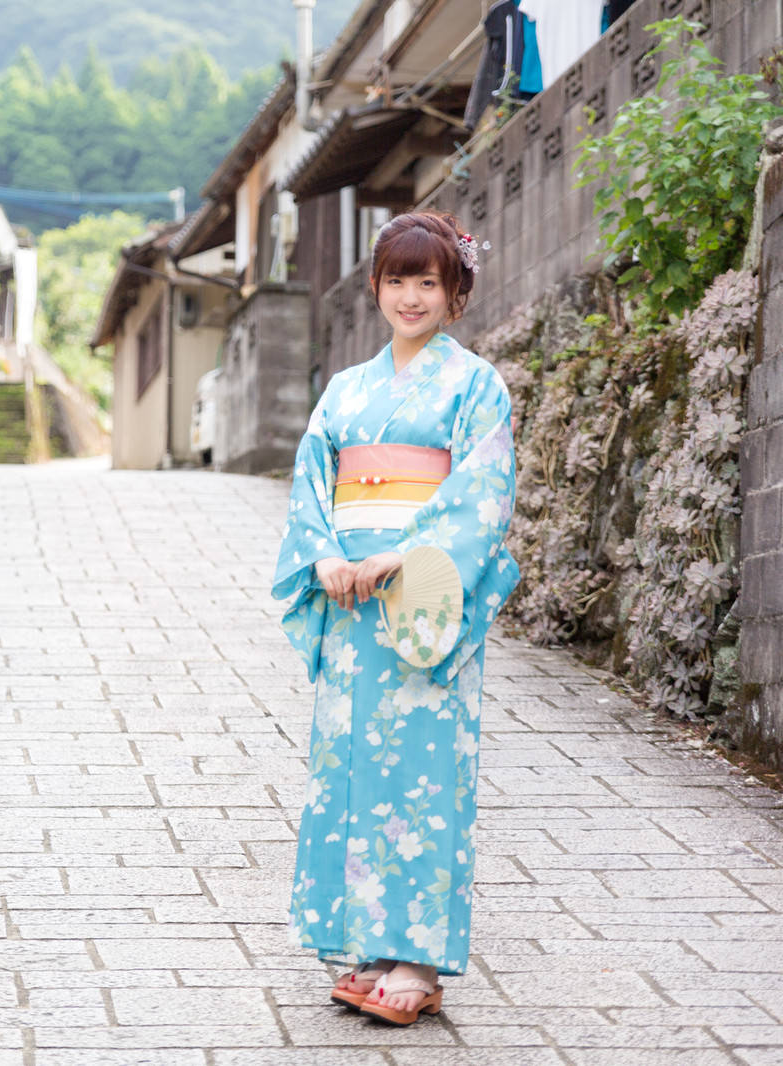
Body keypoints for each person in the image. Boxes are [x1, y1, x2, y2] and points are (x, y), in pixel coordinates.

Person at [272, 211, 520, 1026]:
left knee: (421, 770)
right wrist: (328, 558)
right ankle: (369, 948)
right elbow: (313, 483)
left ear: (455, 295)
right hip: (351, 604)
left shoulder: (476, 385)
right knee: (350, 771)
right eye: (396, 279)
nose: (410, 295)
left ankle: (417, 958)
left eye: (429, 281)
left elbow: (481, 495)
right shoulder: (347, 390)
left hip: (422, 601)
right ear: (374, 287)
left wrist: (401, 555)